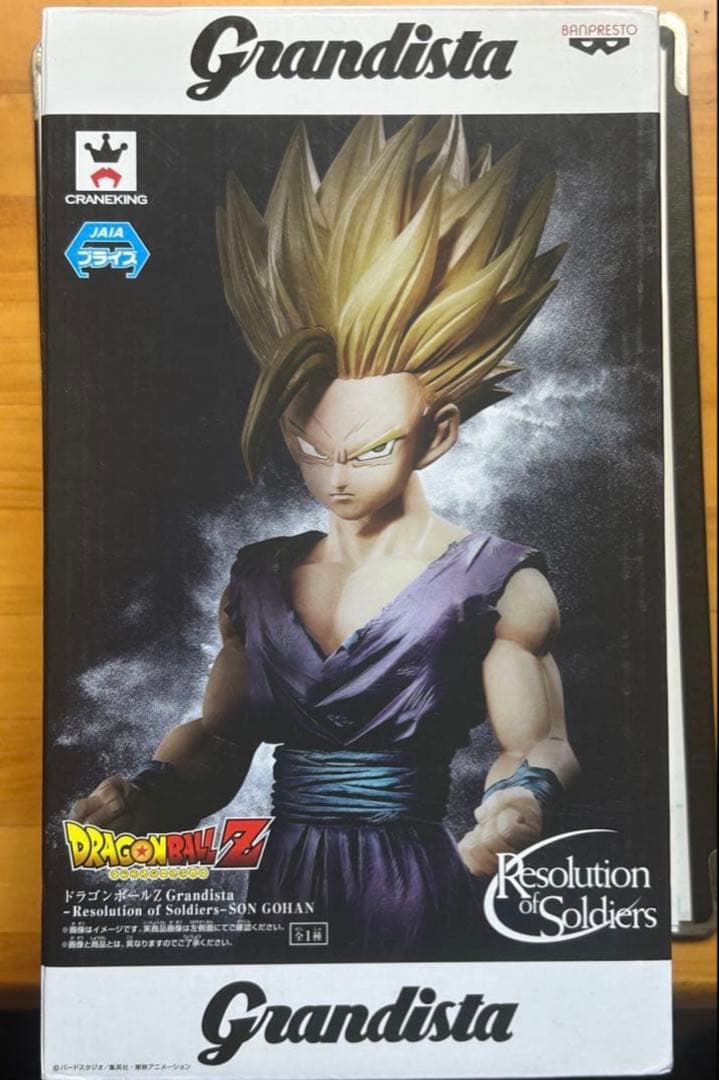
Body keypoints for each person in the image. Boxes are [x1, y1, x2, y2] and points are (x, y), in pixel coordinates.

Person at [72, 116, 579, 956]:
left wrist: (515, 806)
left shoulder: (496, 580)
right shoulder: (259, 578)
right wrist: (148, 793)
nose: (335, 474)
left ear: (437, 435)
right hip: (285, 884)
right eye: (310, 448)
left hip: (412, 879)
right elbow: (222, 738)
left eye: (369, 449)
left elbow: (536, 743)